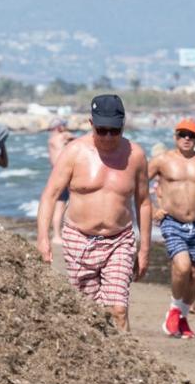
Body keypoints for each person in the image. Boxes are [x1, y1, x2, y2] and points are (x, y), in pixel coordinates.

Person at [36, 94, 151, 331]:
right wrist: (43, 238)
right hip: (79, 239)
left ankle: (125, 365)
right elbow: (49, 195)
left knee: (118, 309)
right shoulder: (74, 152)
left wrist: (145, 249)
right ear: (91, 124)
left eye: (114, 131)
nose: (108, 136)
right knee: (89, 313)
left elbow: (144, 203)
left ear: (123, 125)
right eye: (102, 130)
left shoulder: (136, 155)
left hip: (119, 239)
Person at [148, 118, 195, 339]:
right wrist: (152, 210)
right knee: (182, 265)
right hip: (172, 220)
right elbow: (139, 184)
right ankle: (174, 309)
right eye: (182, 134)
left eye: (191, 135)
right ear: (175, 136)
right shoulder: (162, 160)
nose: (187, 139)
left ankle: (183, 318)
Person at [46, 118, 74, 244]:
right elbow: (75, 138)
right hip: (62, 174)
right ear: (59, 127)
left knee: (60, 204)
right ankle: (58, 235)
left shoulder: (51, 139)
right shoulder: (62, 137)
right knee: (61, 205)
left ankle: (58, 233)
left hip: (55, 173)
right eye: (64, 125)